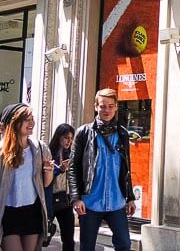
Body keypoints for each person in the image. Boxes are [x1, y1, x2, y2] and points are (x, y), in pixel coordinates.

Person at [68, 89, 135, 251]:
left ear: (116, 107)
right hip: (91, 202)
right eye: (103, 106)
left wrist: (130, 197)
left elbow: (126, 168)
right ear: (96, 106)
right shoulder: (84, 132)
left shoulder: (122, 133)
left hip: (116, 201)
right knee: (87, 247)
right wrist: (76, 198)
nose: (107, 110)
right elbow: (73, 167)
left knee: (125, 244)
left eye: (111, 106)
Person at [0, 103, 54, 251]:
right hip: (8, 214)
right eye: (27, 119)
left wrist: (48, 171)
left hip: (32, 212)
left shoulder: (39, 148)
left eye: (32, 119)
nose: (32, 123)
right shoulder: (2, 152)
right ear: (14, 122)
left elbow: (46, 184)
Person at [46, 124, 75, 250]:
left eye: (71, 138)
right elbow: (44, 176)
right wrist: (60, 169)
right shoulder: (48, 153)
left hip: (65, 200)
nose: (69, 141)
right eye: (66, 137)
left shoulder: (72, 154)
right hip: (50, 199)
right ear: (59, 137)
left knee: (68, 239)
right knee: (43, 235)